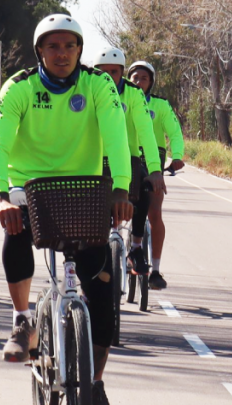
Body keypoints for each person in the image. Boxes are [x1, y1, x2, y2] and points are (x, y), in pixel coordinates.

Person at [0, 14, 132, 405]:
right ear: (39, 51)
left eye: (70, 45)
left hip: (83, 191)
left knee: (102, 297)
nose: (62, 53)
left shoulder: (98, 85)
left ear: (80, 50)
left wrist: (120, 187)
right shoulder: (19, 87)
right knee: (14, 230)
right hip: (29, 188)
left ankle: (96, 384)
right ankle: (21, 321)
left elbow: (116, 134)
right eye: (53, 46)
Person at [91, 47, 166, 275]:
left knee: (144, 187)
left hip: (127, 159)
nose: (108, 77)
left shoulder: (133, 94)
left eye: (114, 72)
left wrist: (154, 169)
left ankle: (135, 246)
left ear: (122, 72)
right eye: (103, 72)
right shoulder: (86, 89)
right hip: (93, 161)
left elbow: (146, 131)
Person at [127, 61, 185, 289]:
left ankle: (156, 271)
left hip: (153, 162)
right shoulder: (120, 101)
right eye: (134, 77)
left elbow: (174, 131)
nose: (138, 81)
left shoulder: (160, 105)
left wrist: (177, 155)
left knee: (154, 211)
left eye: (143, 78)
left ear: (150, 82)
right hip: (129, 158)